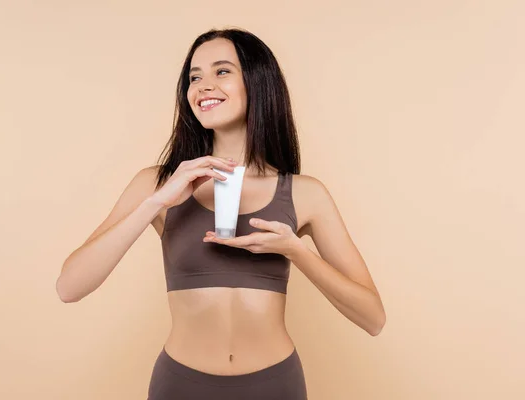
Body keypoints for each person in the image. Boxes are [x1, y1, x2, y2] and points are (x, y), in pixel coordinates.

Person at [56, 28, 386, 400]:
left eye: (222, 71)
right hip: (180, 385)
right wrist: (156, 202)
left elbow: (373, 318)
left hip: (275, 385)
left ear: (258, 83)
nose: (203, 86)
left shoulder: (306, 193)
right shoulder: (159, 184)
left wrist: (295, 250)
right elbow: (69, 287)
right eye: (194, 77)